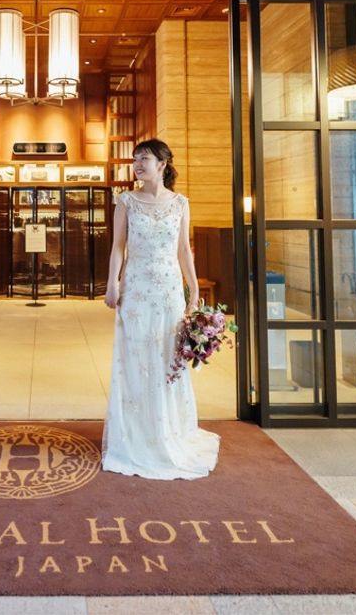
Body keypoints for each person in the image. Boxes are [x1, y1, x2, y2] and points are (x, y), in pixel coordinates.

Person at [102, 138, 220, 479]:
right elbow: (118, 247)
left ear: (163, 164)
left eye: (145, 158)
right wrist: (113, 283)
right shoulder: (126, 201)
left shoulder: (180, 203)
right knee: (135, 359)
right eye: (135, 159)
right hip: (137, 290)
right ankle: (135, 437)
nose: (138, 164)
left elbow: (184, 249)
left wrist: (193, 289)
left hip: (168, 291)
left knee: (167, 358)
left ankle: (169, 432)